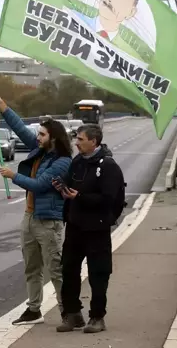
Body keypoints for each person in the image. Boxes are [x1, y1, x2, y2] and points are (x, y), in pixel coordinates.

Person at [0, 88, 72, 325]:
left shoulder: (62, 161)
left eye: (42, 134)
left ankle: (68, 311)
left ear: (53, 138)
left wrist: (12, 176)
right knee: (31, 268)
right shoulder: (39, 150)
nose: (37, 137)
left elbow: (40, 185)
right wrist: (1, 102)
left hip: (48, 221)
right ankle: (34, 309)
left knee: (55, 269)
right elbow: (19, 127)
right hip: (29, 217)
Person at [53, 124, 124, 334]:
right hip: (75, 226)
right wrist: (62, 189)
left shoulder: (108, 166)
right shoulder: (77, 162)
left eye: (81, 140)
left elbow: (110, 199)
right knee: (68, 270)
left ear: (94, 141)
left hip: (97, 229)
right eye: (76, 139)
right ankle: (73, 314)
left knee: (98, 274)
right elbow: (70, 184)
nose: (77, 143)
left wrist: (80, 197)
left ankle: (97, 317)